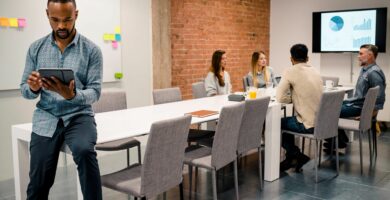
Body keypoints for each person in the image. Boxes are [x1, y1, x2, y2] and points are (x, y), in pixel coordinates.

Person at [20, 0, 103, 199]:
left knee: (84, 152)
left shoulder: (92, 51)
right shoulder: (35, 48)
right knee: (39, 177)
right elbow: (24, 89)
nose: (61, 26)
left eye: (67, 19)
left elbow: (95, 91)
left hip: (79, 116)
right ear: (47, 14)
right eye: (55, 20)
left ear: (76, 14)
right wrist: (32, 88)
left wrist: (73, 95)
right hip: (46, 115)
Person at [323, 44, 386, 152]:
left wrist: (369, 115)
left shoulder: (374, 72)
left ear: (370, 56)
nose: (358, 56)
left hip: (359, 107)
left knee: (327, 110)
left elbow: (379, 98)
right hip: (355, 104)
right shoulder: (365, 69)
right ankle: (339, 140)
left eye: (361, 54)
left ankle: (338, 140)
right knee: (327, 107)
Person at [276, 44, 323, 172]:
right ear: (307, 58)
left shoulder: (290, 71)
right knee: (286, 121)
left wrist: (291, 99)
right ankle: (293, 157)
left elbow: (279, 97)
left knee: (276, 123)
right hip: (322, 123)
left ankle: (295, 155)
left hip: (308, 125)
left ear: (291, 59)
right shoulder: (315, 70)